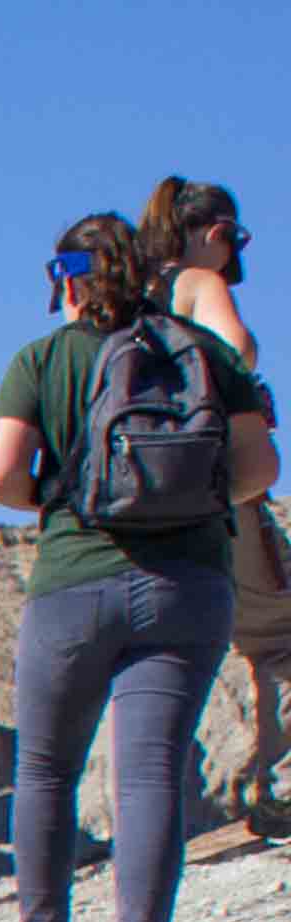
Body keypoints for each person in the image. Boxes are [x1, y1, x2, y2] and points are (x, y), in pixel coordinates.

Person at [0, 212, 280, 922]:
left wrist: (60, 496)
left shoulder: (42, 360)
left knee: (47, 770)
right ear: (152, 275)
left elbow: (0, 475)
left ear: (69, 279)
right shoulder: (207, 355)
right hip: (189, 586)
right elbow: (260, 468)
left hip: (75, 582)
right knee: (150, 772)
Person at [147, 176, 291, 837]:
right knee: (279, 637)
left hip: (129, 498)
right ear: (213, 234)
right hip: (209, 487)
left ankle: (160, 816)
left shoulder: (126, 288)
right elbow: (240, 347)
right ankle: (277, 788)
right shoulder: (197, 282)